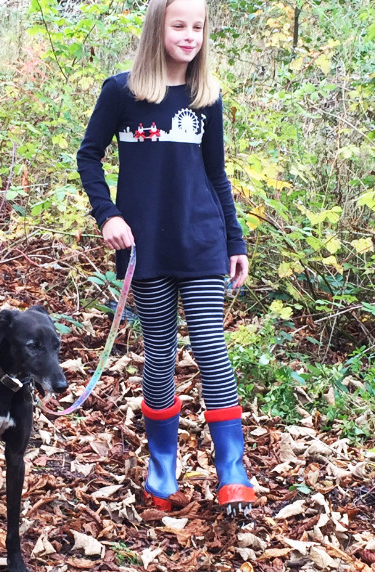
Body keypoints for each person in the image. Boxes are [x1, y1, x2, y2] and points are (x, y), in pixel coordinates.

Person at [77, 0, 255, 514]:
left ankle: (232, 470)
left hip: (201, 240)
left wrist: (235, 241)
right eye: (179, 25)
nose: (189, 35)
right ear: (158, 27)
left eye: (198, 26)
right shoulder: (122, 92)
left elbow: (216, 174)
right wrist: (107, 215)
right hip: (144, 246)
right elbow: (89, 155)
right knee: (158, 355)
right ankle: (162, 468)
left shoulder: (206, 95)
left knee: (210, 348)